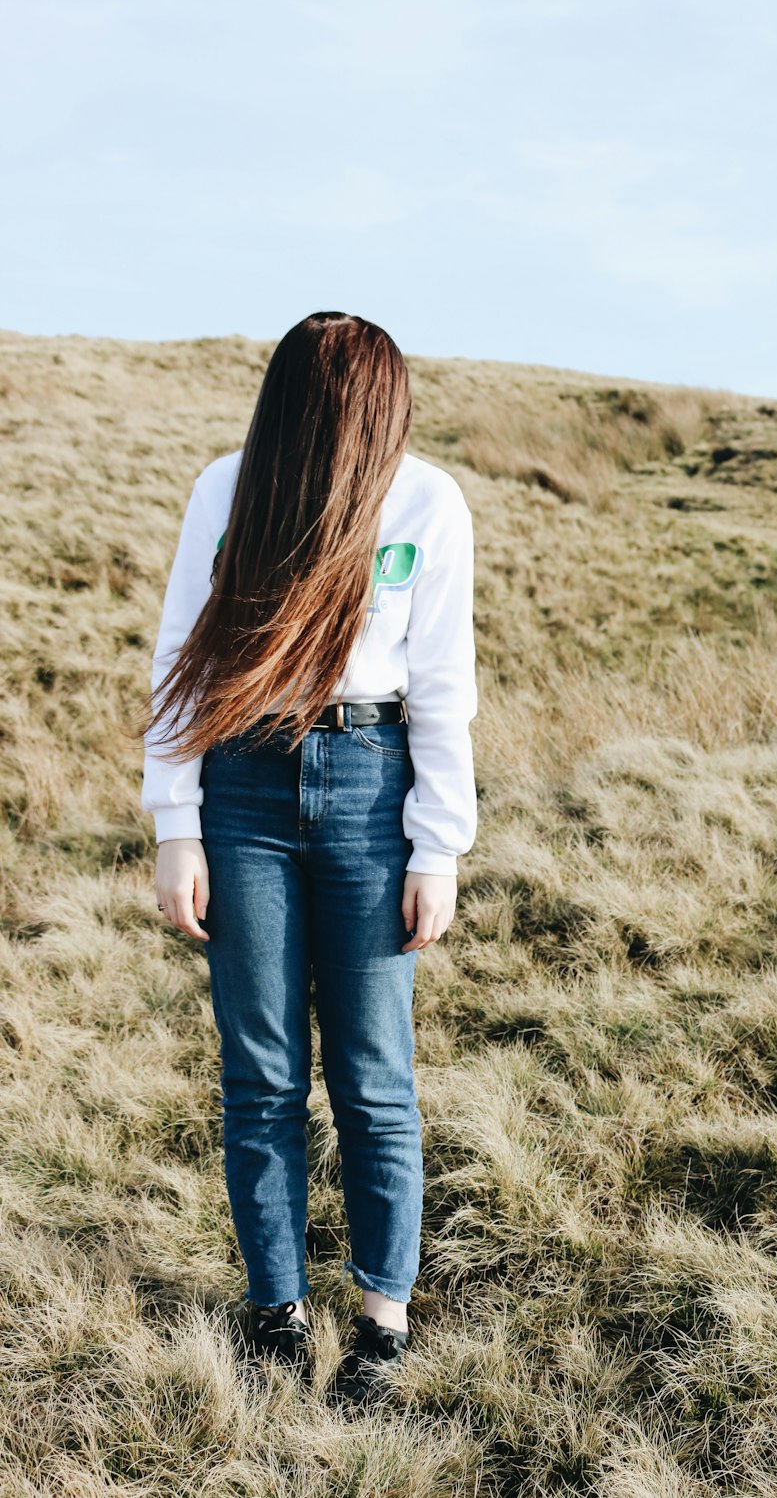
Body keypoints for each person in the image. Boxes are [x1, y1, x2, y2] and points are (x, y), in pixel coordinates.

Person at [134, 311, 477, 1402]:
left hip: (373, 783)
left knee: (375, 1076)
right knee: (264, 1073)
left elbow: (441, 691)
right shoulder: (227, 488)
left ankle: (382, 1319)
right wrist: (175, 823)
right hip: (243, 781)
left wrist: (439, 846)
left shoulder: (426, 501)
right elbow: (181, 660)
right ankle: (274, 1307)